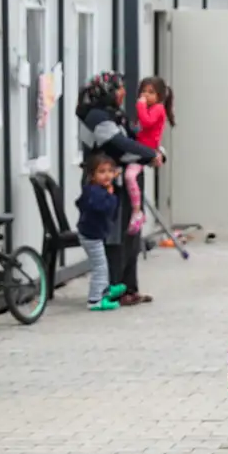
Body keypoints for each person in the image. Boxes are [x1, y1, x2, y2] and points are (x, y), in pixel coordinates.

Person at [76, 71, 162, 306]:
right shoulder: (96, 117)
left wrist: (152, 151)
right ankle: (112, 288)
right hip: (103, 187)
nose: (124, 92)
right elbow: (118, 144)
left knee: (130, 236)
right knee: (114, 238)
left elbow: (132, 138)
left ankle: (128, 288)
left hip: (120, 182)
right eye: (118, 88)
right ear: (106, 92)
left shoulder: (113, 114)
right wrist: (149, 155)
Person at [126, 77, 174, 235]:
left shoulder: (158, 108)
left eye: (151, 92)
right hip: (142, 147)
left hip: (146, 150)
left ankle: (137, 211)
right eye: (143, 92)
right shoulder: (151, 108)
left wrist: (140, 105)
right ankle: (137, 211)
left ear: (159, 95)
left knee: (130, 176)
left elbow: (147, 122)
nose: (146, 95)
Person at [75, 153, 123, 311]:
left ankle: (105, 289)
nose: (107, 175)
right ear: (92, 175)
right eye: (102, 172)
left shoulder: (94, 190)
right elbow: (104, 208)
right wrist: (110, 196)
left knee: (103, 264)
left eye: (110, 171)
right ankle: (95, 300)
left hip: (93, 234)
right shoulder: (96, 192)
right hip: (91, 235)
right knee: (99, 267)